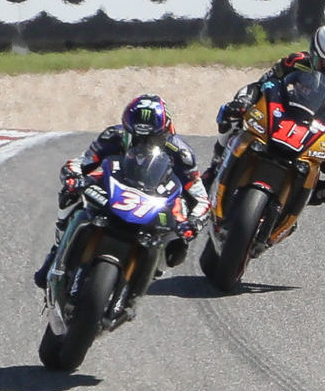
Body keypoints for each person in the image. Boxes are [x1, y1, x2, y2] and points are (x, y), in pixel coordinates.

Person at [34, 95, 204, 290]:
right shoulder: (113, 135)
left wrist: (194, 221)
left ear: (166, 132)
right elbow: (82, 161)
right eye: (138, 138)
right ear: (127, 129)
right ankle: (58, 248)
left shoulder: (181, 154)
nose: (144, 144)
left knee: (180, 240)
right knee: (71, 193)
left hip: (155, 199)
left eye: (152, 139)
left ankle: (153, 271)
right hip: (113, 187)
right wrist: (73, 175)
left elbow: (201, 198)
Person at [211, 23, 325, 204]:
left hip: (323, 146)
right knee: (233, 111)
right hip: (283, 119)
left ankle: (295, 199)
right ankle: (215, 163)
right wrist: (244, 103)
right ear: (316, 58)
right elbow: (262, 85)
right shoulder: (295, 62)